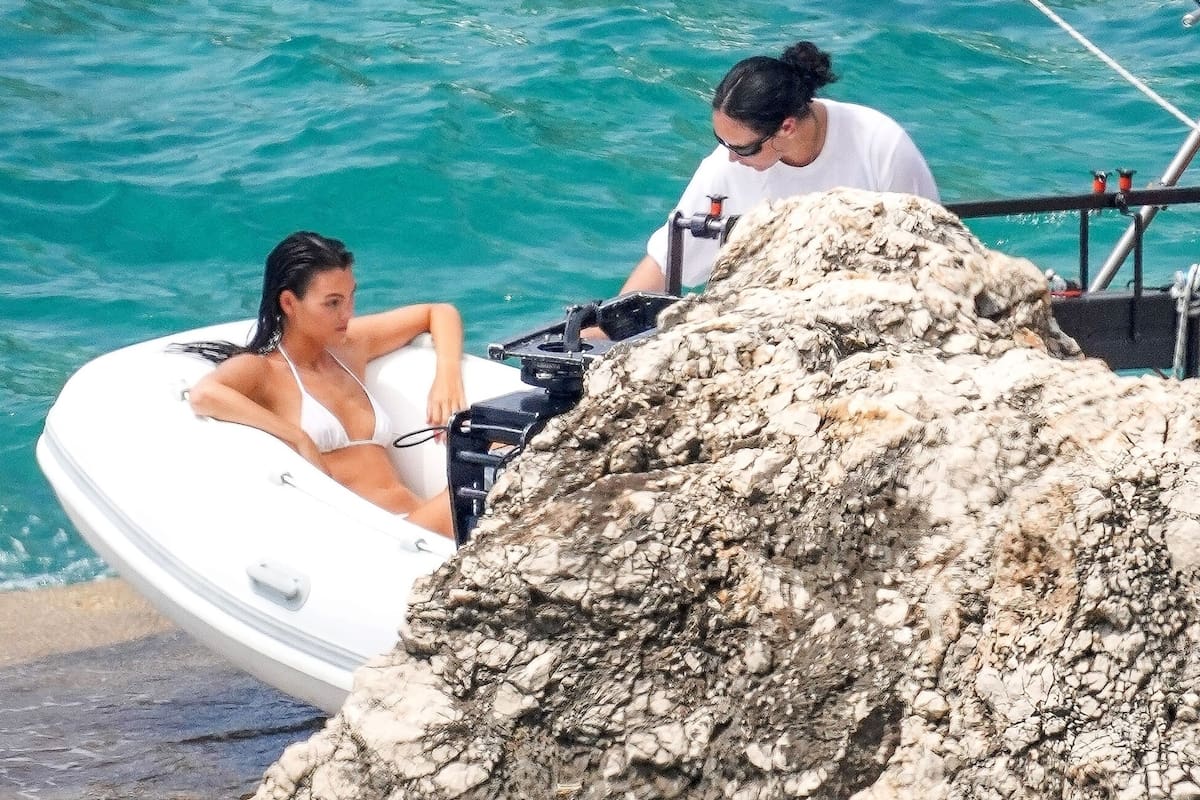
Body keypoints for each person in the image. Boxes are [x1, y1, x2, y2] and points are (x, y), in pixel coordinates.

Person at [177, 231, 467, 539]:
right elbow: (205, 394)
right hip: (382, 535)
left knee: (504, 448)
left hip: (419, 521)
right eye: (332, 303)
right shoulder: (265, 370)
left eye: (351, 297)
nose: (348, 313)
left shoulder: (349, 349)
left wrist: (446, 377)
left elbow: (439, 312)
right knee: (498, 477)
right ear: (289, 302)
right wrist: (298, 437)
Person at [621, 40, 940, 293]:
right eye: (721, 141)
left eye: (742, 147)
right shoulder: (726, 164)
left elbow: (931, 253)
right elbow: (667, 259)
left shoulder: (881, 145)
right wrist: (597, 334)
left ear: (786, 127)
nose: (730, 157)